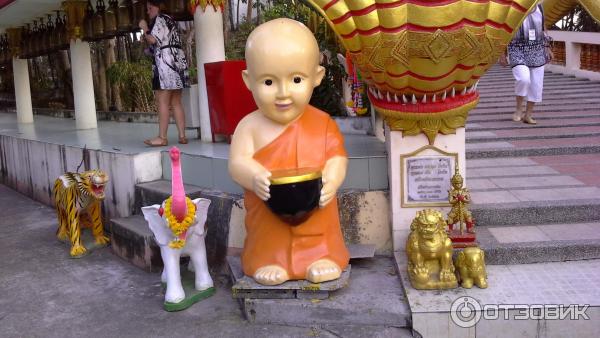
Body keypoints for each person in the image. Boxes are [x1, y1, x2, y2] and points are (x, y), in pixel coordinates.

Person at [228, 18, 350, 286]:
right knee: (268, 233)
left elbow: (337, 157)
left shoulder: (323, 123)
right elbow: (237, 163)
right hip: (268, 210)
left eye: (296, 79)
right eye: (269, 82)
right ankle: (269, 260)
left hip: (315, 208)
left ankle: (322, 257)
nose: (283, 94)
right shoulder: (249, 127)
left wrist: (332, 178)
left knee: (322, 221)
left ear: (316, 77)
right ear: (248, 81)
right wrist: (254, 175)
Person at [139, 0, 190, 146]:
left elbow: (152, 39)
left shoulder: (160, 19)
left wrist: (144, 28)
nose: (148, 11)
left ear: (158, 7)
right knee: (176, 101)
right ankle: (182, 135)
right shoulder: (172, 20)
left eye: (150, 8)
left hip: (166, 63)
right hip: (178, 59)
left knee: (162, 99)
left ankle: (162, 137)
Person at [500, 4, 552, 125]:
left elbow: (543, 28)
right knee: (523, 79)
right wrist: (502, 53)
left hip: (537, 50)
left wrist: (548, 47)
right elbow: (503, 30)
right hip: (517, 49)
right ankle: (518, 109)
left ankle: (528, 115)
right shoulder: (511, 7)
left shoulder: (539, 7)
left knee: (536, 84)